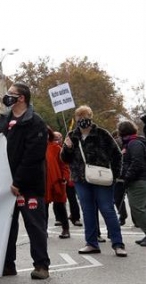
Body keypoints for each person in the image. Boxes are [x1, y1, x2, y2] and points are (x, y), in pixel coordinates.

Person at [0, 83, 50, 279]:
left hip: (29, 185)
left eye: (10, 94)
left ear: (21, 98)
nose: (6, 96)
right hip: (6, 184)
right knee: (8, 227)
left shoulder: (35, 122)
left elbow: (33, 157)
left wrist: (18, 182)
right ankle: (8, 264)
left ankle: (41, 265)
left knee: (35, 226)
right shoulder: (3, 120)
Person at [61, 105, 126, 257]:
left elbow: (117, 155)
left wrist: (115, 175)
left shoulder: (102, 134)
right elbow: (65, 159)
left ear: (91, 117)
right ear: (76, 119)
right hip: (81, 179)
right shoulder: (72, 135)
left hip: (102, 178)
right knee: (87, 211)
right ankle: (91, 243)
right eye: (80, 118)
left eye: (86, 118)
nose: (83, 121)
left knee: (107, 209)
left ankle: (118, 244)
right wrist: (67, 148)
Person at [119, 120, 146, 245]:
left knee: (137, 210)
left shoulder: (134, 144)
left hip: (138, 181)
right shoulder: (134, 142)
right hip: (138, 180)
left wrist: (127, 177)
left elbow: (137, 163)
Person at [45, 128, 70, 239]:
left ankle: (65, 229)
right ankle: (43, 230)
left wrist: (65, 178)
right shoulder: (34, 148)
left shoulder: (56, 148)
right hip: (43, 182)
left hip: (57, 181)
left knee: (60, 206)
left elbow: (64, 165)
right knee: (43, 208)